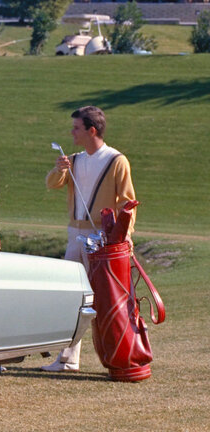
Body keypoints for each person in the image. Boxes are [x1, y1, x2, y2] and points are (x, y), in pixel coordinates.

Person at [42, 105, 136, 372]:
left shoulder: (116, 160)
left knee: (107, 298)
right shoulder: (74, 159)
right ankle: (68, 359)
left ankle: (118, 355)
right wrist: (59, 168)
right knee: (74, 296)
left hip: (102, 238)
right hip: (76, 233)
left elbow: (128, 202)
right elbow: (52, 183)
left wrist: (124, 237)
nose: (72, 133)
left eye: (76, 128)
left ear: (91, 130)